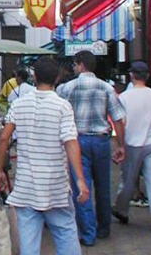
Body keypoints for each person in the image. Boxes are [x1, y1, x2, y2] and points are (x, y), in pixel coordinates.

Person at [0, 57, 89, 255]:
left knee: (28, 246)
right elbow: (70, 142)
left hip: (26, 187)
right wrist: (80, 179)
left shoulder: (19, 104)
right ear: (57, 78)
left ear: (34, 77)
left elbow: (3, 138)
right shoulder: (62, 106)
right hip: (56, 188)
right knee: (66, 237)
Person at [56, 50, 126, 246]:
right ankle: (104, 227)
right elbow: (118, 119)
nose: (74, 68)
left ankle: (88, 233)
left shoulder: (66, 88)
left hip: (77, 142)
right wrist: (121, 145)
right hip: (101, 140)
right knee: (103, 186)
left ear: (81, 65)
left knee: (81, 184)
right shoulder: (107, 88)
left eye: (75, 65)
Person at [112, 61, 151, 235]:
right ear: (147, 76)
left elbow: (120, 123)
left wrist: (119, 145)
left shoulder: (124, 98)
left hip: (132, 143)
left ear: (131, 76)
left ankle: (122, 211)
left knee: (128, 180)